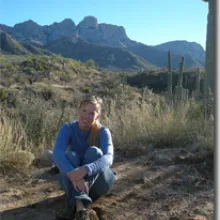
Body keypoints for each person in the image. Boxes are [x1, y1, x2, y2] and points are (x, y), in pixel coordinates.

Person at [53, 94, 116, 220]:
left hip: (99, 183)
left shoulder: (102, 131)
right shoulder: (68, 128)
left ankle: (77, 203)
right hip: (74, 183)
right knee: (70, 156)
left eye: (92, 113)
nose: (86, 116)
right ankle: (81, 207)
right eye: (84, 111)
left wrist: (86, 170)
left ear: (97, 116)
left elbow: (108, 157)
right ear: (78, 110)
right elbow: (57, 153)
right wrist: (74, 175)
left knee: (94, 152)